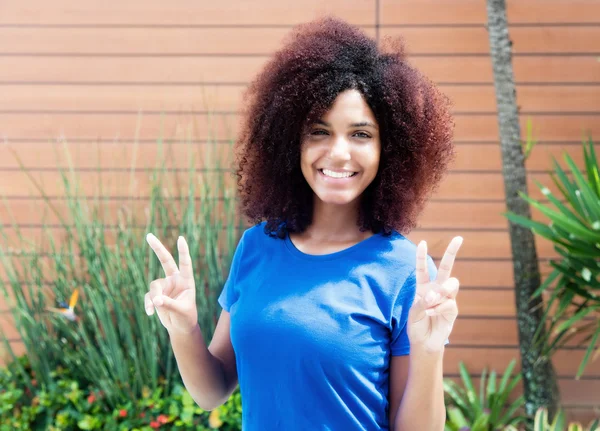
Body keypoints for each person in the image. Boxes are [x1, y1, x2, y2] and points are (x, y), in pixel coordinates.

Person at [144, 15, 462, 431]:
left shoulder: (404, 271)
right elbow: (212, 390)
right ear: (290, 140)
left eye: (361, 134)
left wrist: (430, 349)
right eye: (319, 131)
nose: (339, 153)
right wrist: (184, 328)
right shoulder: (257, 246)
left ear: (391, 149)